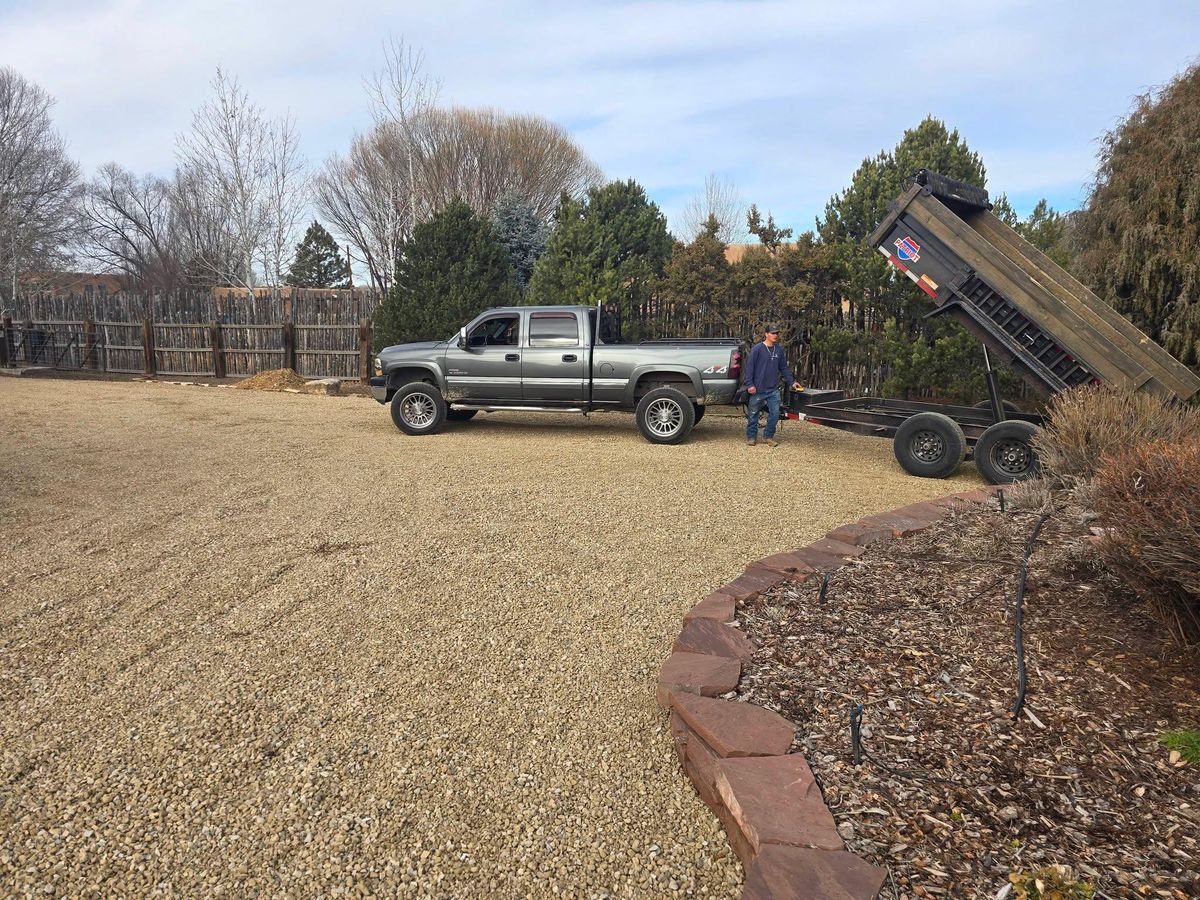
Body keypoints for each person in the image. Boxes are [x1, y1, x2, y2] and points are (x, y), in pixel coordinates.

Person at [744, 324, 802, 447]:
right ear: (766, 334)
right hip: (757, 388)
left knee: (775, 414)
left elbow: (783, 368)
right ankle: (751, 437)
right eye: (772, 333)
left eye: (777, 333)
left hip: (773, 389)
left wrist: (792, 382)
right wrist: (750, 384)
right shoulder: (757, 349)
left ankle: (768, 436)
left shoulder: (778, 350)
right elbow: (749, 368)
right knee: (753, 414)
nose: (775, 335)